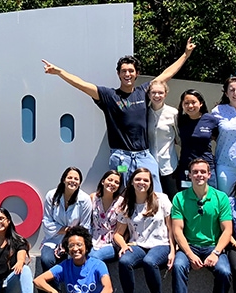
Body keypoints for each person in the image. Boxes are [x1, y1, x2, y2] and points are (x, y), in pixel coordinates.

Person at [42, 38, 195, 183]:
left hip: (144, 156)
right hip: (121, 159)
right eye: (124, 71)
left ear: (137, 74)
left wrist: (186, 55)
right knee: (122, 194)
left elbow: (165, 75)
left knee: (154, 193)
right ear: (118, 74)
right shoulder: (109, 96)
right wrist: (60, 72)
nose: (127, 74)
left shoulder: (143, 91)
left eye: (131, 71)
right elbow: (82, 85)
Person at [167, 159, 233, 293]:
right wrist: (189, 254)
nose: (199, 175)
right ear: (190, 175)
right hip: (189, 246)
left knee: (224, 271)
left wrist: (216, 253)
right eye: (195, 172)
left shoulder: (221, 197)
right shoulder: (180, 198)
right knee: (179, 266)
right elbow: (177, 230)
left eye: (203, 172)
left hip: (213, 246)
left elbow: (227, 231)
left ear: (209, 175)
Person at [112, 168, 174, 293]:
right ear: (132, 182)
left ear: (151, 183)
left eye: (146, 180)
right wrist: (124, 245)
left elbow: (171, 228)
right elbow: (118, 234)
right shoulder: (126, 204)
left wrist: (173, 250)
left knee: (149, 262)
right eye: (138, 179)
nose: (142, 183)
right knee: (125, 261)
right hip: (137, 244)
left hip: (161, 244)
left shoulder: (161, 199)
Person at [39, 167, 93, 270]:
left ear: (80, 182)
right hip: (53, 240)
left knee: (74, 260)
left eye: (76, 179)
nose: (73, 181)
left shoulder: (85, 200)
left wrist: (69, 237)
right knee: (46, 259)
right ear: (64, 179)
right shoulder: (52, 195)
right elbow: (47, 222)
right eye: (70, 177)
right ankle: (53, 286)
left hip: (75, 240)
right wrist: (67, 230)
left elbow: (85, 227)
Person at [177, 90, 219, 189]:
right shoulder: (180, 120)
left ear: (201, 103)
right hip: (187, 168)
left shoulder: (210, 120)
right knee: (187, 199)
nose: (190, 106)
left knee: (210, 199)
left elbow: (217, 137)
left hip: (207, 167)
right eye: (186, 103)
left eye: (193, 102)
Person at [146, 79, 181, 197]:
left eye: (160, 93)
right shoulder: (144, 113)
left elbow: (179, 138)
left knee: (171, 199)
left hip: (169, 165)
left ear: (165, 94)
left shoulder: (173, 113)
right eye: (153, 92)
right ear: (148, 94)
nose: (157, 96)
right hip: (148, 164)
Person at [88, 170, 124, 262]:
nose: (112, 184)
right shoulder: (93, 198)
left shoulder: (121, 202)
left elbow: (121, 229)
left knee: (94, 257)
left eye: (116, 182)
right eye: (110, 180)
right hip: (92, 240)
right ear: (103, 181)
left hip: (111, 244)